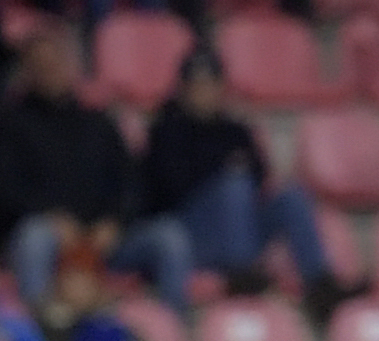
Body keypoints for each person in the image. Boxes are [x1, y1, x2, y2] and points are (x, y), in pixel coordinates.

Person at [0, 29, 188, 318]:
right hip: (47, 238)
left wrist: (116, 221)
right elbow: (0, 191)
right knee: (33, 238)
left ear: (71, 66)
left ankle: (174, 335)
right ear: (27, 71)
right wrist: (48, 217)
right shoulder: (7, 126)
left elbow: (131, 182)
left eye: (56, 63)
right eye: (40, 65)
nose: (50, 71)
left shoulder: (99, 123)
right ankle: (44, 334)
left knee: (169, 236)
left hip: (104, 240)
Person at [141, 55, 344, 317]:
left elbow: (259, 176)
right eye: (197, 85)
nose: (205, 92)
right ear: (184, 89)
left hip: (241, 229)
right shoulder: (166, 130)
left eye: (211, 84)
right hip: (192, 236)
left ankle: (319, 284)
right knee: (234, 183)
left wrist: (227, 173)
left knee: (291, 196)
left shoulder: (235, 129)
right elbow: (168, 188)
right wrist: (222, 173)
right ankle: (242, 272)